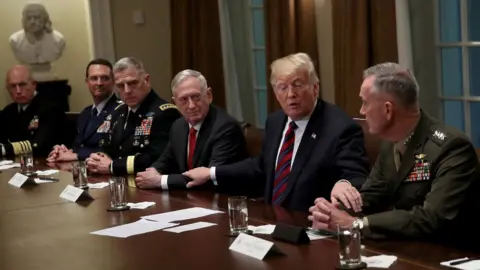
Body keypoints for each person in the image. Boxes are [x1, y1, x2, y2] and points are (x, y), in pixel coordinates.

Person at [309, 63, 480, 246]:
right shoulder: (390, 141)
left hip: (445, 254)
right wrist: (333, 211)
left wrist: (355, 224)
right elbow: (373, 195)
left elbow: (430, 218)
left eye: (365, 103)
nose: (362, 111)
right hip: (403, 247)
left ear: (387, 110)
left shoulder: (451, 147)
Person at [183, 53, 369, 212]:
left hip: (312, 226)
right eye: (283, 87)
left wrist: (345, 183)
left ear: (315, 88)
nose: (290, 94)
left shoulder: (339, 128)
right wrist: (211, 173)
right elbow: (261, 166)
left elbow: (357, 177)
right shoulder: (276, 121)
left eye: (297, 85)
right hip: (271, 220)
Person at [135, 69, 248, 190]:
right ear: (175, 103)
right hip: (192, 199)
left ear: (209, 95)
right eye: (183, 99)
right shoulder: (178, 126)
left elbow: (209, 178)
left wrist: (160, 181)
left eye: (196, 97)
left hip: (224, 199)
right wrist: (151, 172)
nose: (191, 105)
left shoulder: (225, 128)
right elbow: (165, 160)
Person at [86, 57, 181, 176]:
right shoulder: (117, 112)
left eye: (133, 83)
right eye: (120, 85)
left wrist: (113, 166)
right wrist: (97, 160)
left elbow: (157, 158)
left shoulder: (165, 113)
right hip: (118, 182)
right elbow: (107, 147)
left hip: (149, 186)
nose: (127, 90)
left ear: (147, 80)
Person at [46, 59, 120, 163]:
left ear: (113, 81)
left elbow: (113, 150)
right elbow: (78, 145)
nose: (99, 83)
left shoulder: (121, 111)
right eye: (94, 78)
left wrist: (76, 155)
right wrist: (63, 151)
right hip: (83, 170)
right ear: (87, 82)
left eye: (105, 78)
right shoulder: (85, 113)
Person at [0, 65, 65, 157]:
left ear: (34, 84)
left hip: (44, 163)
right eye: (13, 86)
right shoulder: (8, 112)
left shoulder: (50, 108)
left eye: (22, 84)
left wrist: (4, 149)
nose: (18, 91)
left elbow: (39, 144)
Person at [9, 3, 66, 81]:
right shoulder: (15, 40)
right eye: (29, 18)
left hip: (50, 81)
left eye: (37, 17)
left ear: (45, 19)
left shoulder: (58, 40)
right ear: (24, 20)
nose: (32, 21)